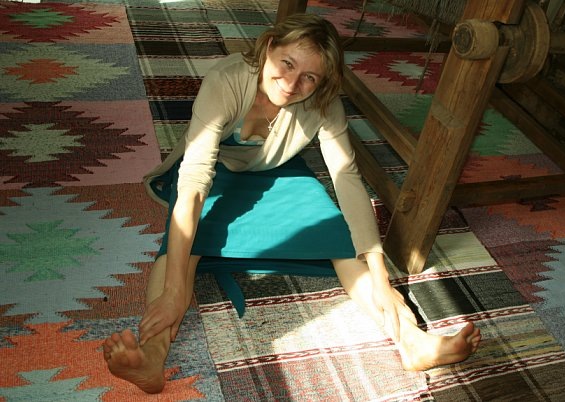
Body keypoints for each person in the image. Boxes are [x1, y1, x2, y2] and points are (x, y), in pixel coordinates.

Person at [102, 13, 481, 394]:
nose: (291, 83)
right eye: (287, 63)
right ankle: (152, 356)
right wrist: (172, 293)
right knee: (182, 250)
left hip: (279, 173)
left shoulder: (323, 104)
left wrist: (381, 278)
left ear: (322, 82)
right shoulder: (225, 80)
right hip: (214, 171)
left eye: (309, 77)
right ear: (269, 47)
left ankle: (411, 340)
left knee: (343, 243)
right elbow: (194, 182)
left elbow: (347, 180)